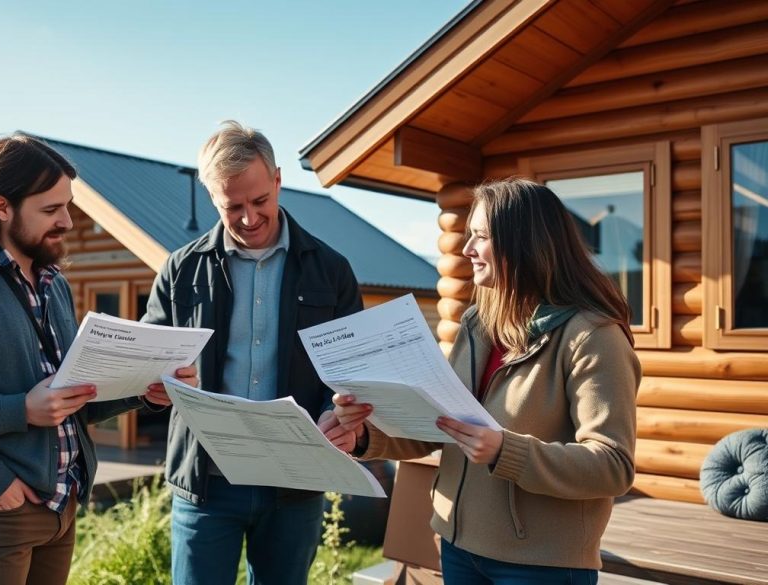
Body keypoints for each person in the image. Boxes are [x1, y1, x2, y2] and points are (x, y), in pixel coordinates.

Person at [0, 133, 195, 585]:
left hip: (59, 507)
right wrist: (2, 456)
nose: (67, 221)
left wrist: (146, 394)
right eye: (51, 210)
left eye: (68, 206)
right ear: (1, 207)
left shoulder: (54, 285)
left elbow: (71, 399)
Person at [328, 178, 640, 584]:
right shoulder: (477, 324)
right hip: (458, 549)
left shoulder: (592, 335)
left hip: (540, 566)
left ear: (523, 244)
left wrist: (506, 451)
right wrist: (365, 437)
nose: (466, 249)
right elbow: (442, 426)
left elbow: (613, 466)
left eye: (480, 236)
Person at [141, 120, 363, 585]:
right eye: (232, 206)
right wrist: (153, 388)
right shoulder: (180, 270)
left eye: (260, 200)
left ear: (278, 179)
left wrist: (339, 417)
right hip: (206, 483)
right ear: (212, 199)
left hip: (295, 482)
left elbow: (349, 375)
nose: (248, 218)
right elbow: (148, 361)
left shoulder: (331, 270)